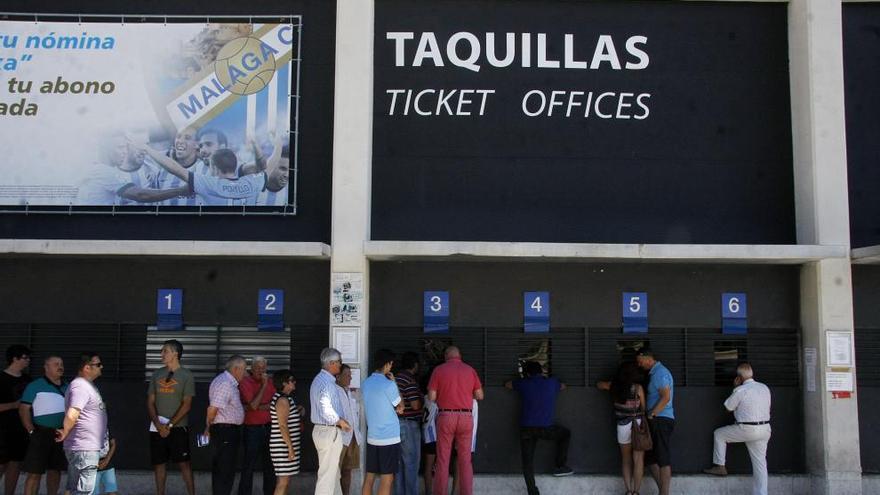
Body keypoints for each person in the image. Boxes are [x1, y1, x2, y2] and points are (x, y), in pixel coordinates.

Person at [504, 361, 573, 495]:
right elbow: (564, 386)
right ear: (541, 371)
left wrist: (521, 380)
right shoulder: (552, 383)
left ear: (528, 373)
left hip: (526, 429)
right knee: (565, 434)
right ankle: (560, 466)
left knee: (527, 462)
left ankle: (533, 492)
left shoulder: (523, 384)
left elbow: (507, 384)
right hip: (546, 428)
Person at [703, 363, 772, 495]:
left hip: (746, 428)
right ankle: (762, 493)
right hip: (765, 429)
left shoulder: (740, 390)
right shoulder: (764, 387)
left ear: (739, 378)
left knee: (719, 434)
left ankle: (720, 466)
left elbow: (728, 407)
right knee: (760, 464)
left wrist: (735, 388)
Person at [427, 346, 484, 495]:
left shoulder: (439, 370)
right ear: (460, 355)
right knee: (465, 461)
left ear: (446, 356)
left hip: (446, 417)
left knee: (443, 460)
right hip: (466, 418)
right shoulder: (470, 370)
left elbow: (432, 397)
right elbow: (480, 395)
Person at [55, 352, 109, 495]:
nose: (101, 367)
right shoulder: (81, 387)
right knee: (84, 492)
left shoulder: (86, 386)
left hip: (83, 447)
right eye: (98, 364)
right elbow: (73, 413)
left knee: (73, 489)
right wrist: (65, 432)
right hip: (84, 449)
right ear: (86, 368)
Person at [147, 339, 196, 495]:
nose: (162, 354)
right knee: (159, 464)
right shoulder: (157, 374)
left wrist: (169, 426)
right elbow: (150, 402)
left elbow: (187, 404)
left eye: (165, 351)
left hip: (178, 428)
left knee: (184, 464)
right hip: (157, 428)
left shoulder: (186, 375)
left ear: (176, 353)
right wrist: (158, 424)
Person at [19, 355, 67, 495]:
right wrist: (31, 431)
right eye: (56, 364)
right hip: (40, 433)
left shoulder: (68, 387)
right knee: (34, 472)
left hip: (60, 434)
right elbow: (24, 410)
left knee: (55, 471)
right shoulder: (34, 386)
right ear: (46, 367)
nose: (60, 367)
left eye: (62, 364)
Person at [598, 362, 647, 495]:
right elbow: (644, 408)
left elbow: (599, 384)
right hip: (637, 426)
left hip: (622, 426)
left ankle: (628, 490)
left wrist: (611, 383)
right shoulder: (638, 388)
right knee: (638, 459)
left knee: (626, 459)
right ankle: (636, 491)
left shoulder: (614, 387)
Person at [361, 349, 404, 495]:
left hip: (372, 437)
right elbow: (401, 407)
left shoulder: (365, 383)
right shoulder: (388, 384)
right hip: (389, 437)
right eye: (391, 364)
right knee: (387, 478)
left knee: (369, 476)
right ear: (386, 364)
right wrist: (395, 382)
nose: (391, 367)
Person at [310, 348, 351, 495]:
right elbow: (325, 408)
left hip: (324, 430)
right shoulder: (327, 383)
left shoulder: (320, 380)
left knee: (333, 474)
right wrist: (340, 421)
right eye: (339, 362)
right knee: (327, 476)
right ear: (332, 363)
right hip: (328, 431)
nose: (341, 365)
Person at [205, 355, 247, 495]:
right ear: (236, 369)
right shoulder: (225, 383)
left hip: (226, 432)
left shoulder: (227, 382)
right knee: (224, 472)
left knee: (224, 471)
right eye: (244, 370)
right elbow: (212, 409)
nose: (245, 373)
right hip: (225, 432)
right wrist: (207, 428)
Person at [635, 348, 674, 495]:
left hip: (661, 419)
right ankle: (662, 491)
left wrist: (652, 414)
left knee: (663, 458)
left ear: (647, 358)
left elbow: (665, 397)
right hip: (656, 419)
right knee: (651, 459)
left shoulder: (660, 373)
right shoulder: (654, 373)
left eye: (640, 362)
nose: (639, 365)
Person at [239, 356, 277, 495]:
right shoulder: (245, 382)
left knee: (270, 466)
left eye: (263, 368)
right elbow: (253, 406)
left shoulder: (272, 382)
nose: (260, 371)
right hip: (252, 429)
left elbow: (276, 404)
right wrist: (263, 386)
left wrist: (257, 406)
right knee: (248, 466)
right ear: (251, 368)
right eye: (257, 368)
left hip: (269, 427)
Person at [0, 345, 31, 495]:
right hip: (3, 428)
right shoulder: (1, 378)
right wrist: (14, 405)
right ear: (15, 358)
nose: (28, 361)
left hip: (21, 427)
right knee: (2, 463)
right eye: (25, 358)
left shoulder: (27, 379)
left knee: (15, 463)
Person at [269, 370, 301, 495]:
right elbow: (282, 425)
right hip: (282, 446)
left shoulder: (286, 398)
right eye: (291, 380)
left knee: (285, 480)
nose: (294, 382)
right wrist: (290, 447)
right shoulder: (282, 400)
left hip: (285, 444)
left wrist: (298, 410)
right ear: (284, 383)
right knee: (283, 481)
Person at [394, 352, 422, 495]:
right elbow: (415, 405)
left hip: (395, 425)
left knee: (399, 464)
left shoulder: (395, 378)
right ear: (415, 365)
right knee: (411, 463)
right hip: (409, 425)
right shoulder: (409, 380)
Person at [336, 364, 362, 495]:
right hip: (339, 438)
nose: (350, 377)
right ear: (338, 376)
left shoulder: (348, 391)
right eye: (347, 375)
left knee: (347, 470)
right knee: (335, 472)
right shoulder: (334, 391)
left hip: (352, 436)